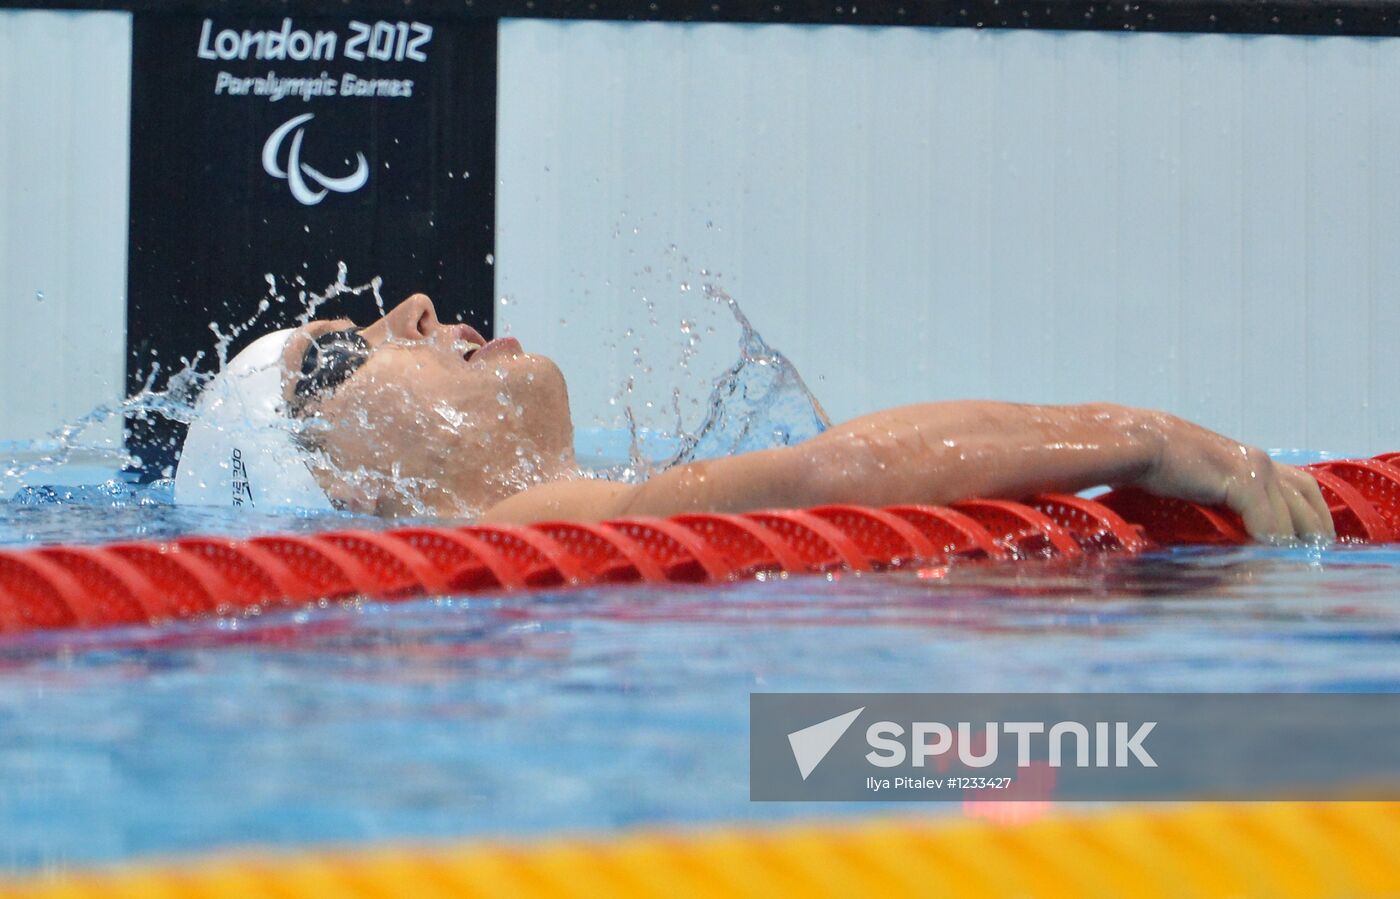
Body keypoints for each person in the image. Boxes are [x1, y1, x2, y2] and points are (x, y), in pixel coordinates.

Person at [173, 294, 1335, 542]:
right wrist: (1144, 438)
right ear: (355, 488)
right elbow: (833, 470)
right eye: (344, 357)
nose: (411, 308)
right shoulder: (578, 522)